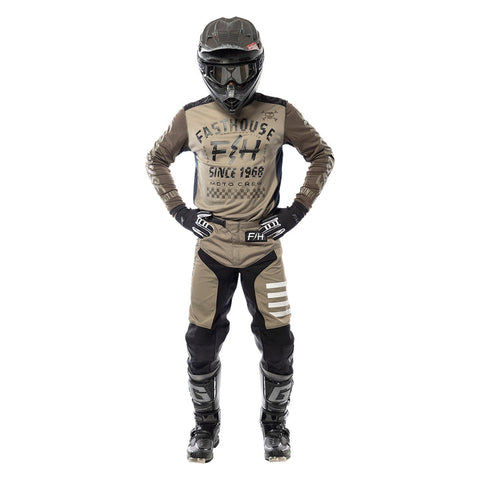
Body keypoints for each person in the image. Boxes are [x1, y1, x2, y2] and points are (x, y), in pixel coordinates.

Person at [146, 17, 334, 463]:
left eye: (241, 71)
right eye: (221, 72)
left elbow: (321, 154)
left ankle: (275, 425)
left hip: (263, 249)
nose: (231, 84)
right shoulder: (191, 116)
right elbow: (156, 159)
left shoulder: (280, 113)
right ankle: (205, 426)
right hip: (211, 249)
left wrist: (295, 212)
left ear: (257, 67)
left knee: (279, 342)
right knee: (200, 342)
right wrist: (179, 211)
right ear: (205, 71)